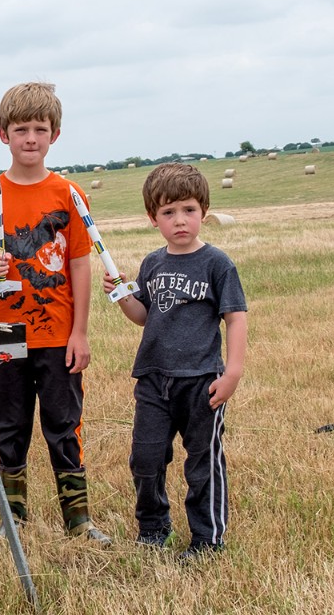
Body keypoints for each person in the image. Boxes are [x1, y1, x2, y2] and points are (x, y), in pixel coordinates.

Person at [0, 82, 111, 544]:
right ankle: (13, 520)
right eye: (20, 129)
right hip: (4, 334)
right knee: (9, 424)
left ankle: (78, 521)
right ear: (3, 134)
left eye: (39, 129)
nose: (30, 138)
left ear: (54, 135)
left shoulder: (69, 193)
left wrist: (79, 332)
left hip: (58, 333)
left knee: (64, 423)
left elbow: (79, 263)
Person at [104, 162, 248, 560]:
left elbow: (235, 317)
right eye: (168, 213)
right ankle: (153, 527)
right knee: (145, 458)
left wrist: (232, 372)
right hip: (153, 379)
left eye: (187, 210)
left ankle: (207, 538)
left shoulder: (217, 263)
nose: (179, 220)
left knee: (203, 462)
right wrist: (122, 297)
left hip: (202, 380)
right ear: (153, 218)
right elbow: (145, 317)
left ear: (204, 210)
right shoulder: (153, 264)